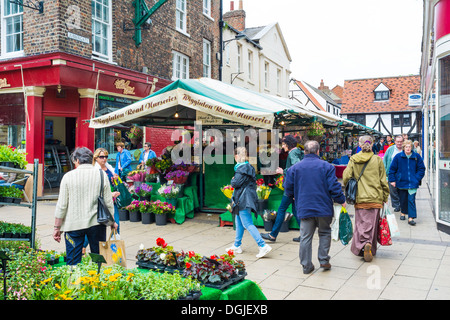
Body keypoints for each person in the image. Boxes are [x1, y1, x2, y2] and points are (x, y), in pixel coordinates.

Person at [284, 140, 346, 274]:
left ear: (304, 151)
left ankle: (306, 266)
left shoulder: (294, 168)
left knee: (305, 236)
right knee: (324, 232)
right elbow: (334, 187)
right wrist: (341, 200)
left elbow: (288, 188)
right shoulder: (327, 166)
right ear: (318, 151)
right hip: (323, 207)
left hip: (304, 207)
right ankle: (324, 260)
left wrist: (293, 195)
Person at [53, 147, 117, 266]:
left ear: (77, 160)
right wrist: (112, 221)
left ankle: (72, 282)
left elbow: (62, 205)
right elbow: (108, 202)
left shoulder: (68, 176)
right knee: (98, 259)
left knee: (73, 261)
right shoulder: (101, 174)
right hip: (97, 223)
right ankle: (97, 280)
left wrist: (57, 227)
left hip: (73, 225)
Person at [343, 136, 390, 262]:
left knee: (361, 223)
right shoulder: (377, 160)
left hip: (360, 197)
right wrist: (385, 196)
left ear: (359, 144)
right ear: (372, 144)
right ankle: (369, 244)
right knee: (373, 225)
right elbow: (383, 180)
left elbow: (346, 177)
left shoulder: (353, 159)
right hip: (375, 197)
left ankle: (363, 245)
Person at [226, 146, 272, 258]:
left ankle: (263, 246)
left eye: (234, 156)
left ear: (236, 156)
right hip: (245, 198)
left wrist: (232, 180)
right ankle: (237, 245)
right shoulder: (248, 167)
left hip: (243, 200)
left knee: (247, 223)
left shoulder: (241, 169)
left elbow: (235, 183)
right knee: (239, 222)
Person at [261, 135, 303, 243]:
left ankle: (273, 235)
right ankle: (304, 235)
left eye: (284, 144)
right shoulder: (298, 151)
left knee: (281, 210)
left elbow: (297, 167)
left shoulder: (293, 153)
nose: (283, 147)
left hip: (290, 188)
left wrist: (283, 171)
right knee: (295, 210)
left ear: (289, 144)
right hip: (295, 187)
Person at [388, 140, 426, 226]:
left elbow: (421, 169)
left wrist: (416, 178)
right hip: (401, 183)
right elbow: (392, 169)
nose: (408, 148)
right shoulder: (398, 157)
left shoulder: (416, 157)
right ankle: (403, 212)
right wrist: (392, 180)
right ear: (403, 147)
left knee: (411, 200)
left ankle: (411, 218)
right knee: (403, 199)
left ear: (411, 147)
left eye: (409, 147)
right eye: (406, 147)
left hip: (412, 183)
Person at [383, 135, 404, 212]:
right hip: (392, 174)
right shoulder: (390, 149)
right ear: (395, 141)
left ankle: (402, 204)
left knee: (402, 190)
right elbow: (385, 161)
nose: (399, 143)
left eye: (401, 142)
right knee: (393, 191)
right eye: (398, 142)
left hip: (403, 174)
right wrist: (385, 174)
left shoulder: (405, 149)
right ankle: (396, 205)